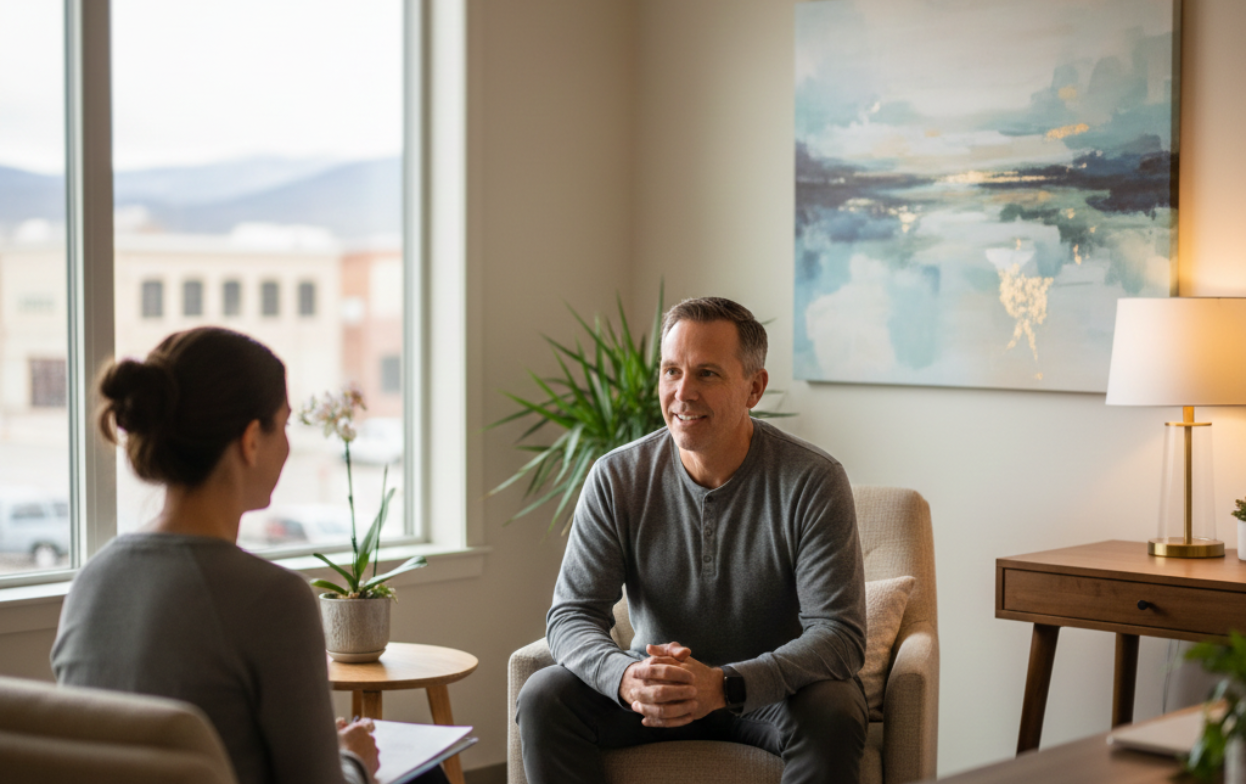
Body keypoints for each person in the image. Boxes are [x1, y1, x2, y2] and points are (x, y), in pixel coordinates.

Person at [50, 327, 446, 784]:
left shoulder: (92, 581)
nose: (289, 446)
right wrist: (353, 759)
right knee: (427, 775)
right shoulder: (273, 599)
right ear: (250, 440)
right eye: (285, 425)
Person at [516, 297, 868, 784]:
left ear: (754, 387)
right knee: (544, 695)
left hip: (769, 699)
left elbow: (839, 638)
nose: (683, 392)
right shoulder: (617, 476)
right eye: (671, 371)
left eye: (707, 374)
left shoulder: (812, 479)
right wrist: (624, 677)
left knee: (835, 703)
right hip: (651, 693)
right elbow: (571, 614)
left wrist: (724, 684)